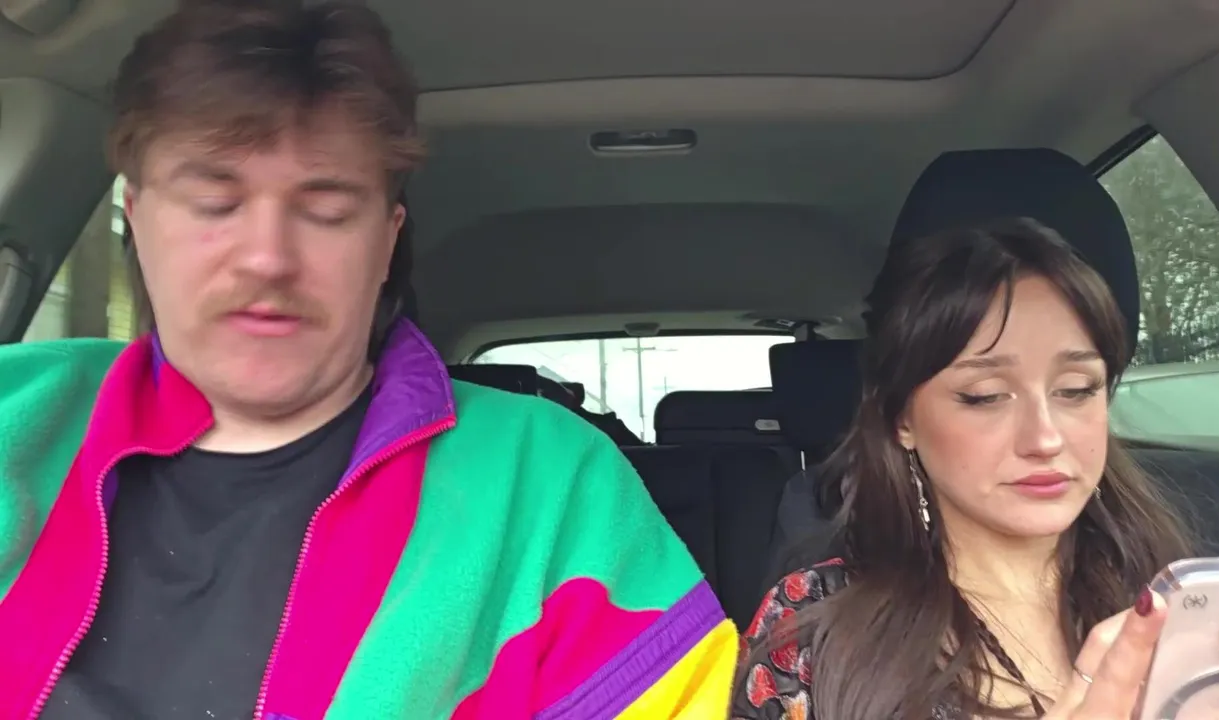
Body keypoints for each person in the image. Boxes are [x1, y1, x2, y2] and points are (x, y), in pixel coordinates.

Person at [0, 2, 736, 719]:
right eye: (214, 201)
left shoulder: (547, 480)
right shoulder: (17, 409)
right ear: (136, 216)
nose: (267, 258)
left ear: (386, 242)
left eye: (326, 209)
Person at [731, 218, 1219, 719]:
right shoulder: (813, 635)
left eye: (1077, 389)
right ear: (902, 420)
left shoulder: (1203, 599)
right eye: (985, 396)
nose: (1045, 438)